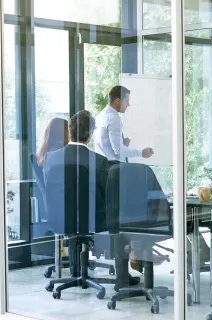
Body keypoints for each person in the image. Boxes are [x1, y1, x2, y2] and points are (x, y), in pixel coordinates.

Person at [43, 110, 139, 286]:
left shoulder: (50, 158)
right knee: (119, 217)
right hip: (93, 220)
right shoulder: (99, 161)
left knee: (74, 215)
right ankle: (122, 276)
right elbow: (109, 194)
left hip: (58, 218)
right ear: (91, 134)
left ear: (70, 131)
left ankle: (76, 273)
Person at [93, 85, 154, 162]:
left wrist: (122, 142)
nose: (128, 105)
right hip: (112, 168)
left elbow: (105, 142)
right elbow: (118, 150)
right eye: (127, 101)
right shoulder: (113, 119)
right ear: (118, 101)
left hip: (103, 165)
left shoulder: (101, 115)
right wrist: (141, 153)